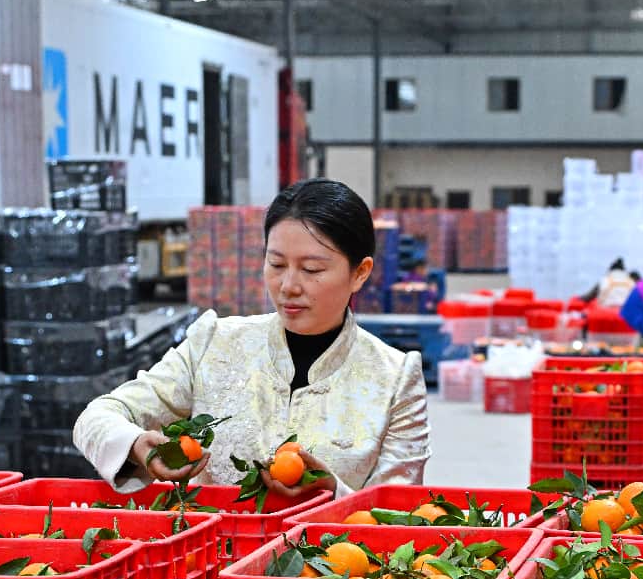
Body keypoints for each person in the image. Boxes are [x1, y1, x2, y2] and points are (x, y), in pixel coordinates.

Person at [74, 178, 430, 497]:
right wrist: (137, 444)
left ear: (360, 273)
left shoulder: (394, 379)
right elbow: (97, 417)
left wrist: (333, 492)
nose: (288, 286)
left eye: (312, 269)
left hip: (330, 553)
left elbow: (397, 514)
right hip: (210, 549)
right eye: (276, 265)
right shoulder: (213, 344)